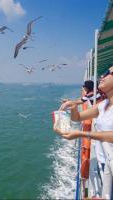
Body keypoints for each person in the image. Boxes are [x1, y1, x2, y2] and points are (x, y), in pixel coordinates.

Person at [53, 66, 113, 199]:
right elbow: (77, 117)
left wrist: (82, 134)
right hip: (105, 160)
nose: (102, 77)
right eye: (103, 73)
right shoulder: (103, 105)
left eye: (108, 73)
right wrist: (74, 107)